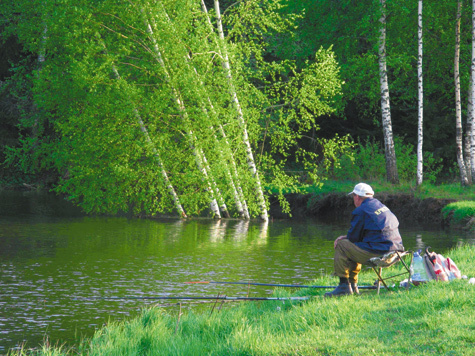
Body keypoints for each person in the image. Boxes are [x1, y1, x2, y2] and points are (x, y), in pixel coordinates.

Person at [324, 183, 404, 297]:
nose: (353, 199)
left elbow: (353, 237)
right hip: (396, 250)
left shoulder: (361, 210)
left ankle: (344, 286)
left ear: (357, 197)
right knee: (354, 245)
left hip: (381, 253)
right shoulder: (381, 206)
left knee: (342, 245)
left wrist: (344, 237)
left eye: (353, 196)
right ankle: (352, 285)